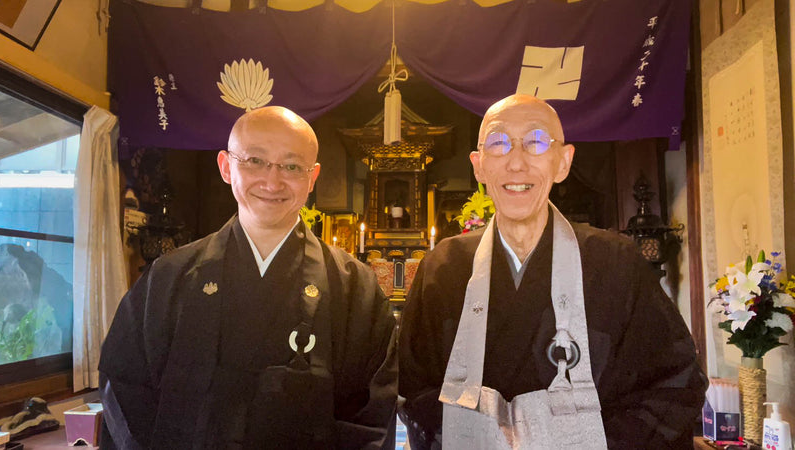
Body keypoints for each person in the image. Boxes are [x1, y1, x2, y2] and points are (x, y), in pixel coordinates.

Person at [398, 94, 707, 449]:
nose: (517, 162)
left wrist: (581, 439)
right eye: (499, 143)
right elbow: (412, 386)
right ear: (479, 165)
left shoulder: (616, 263)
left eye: (537, 142)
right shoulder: (443, 268)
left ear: (563, 161)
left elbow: (674, 382)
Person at [99, 106, 397, 449]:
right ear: (227, 167)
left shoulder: (353, 288)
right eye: (255, 161)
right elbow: (124, 392)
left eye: (291, 166)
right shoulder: (168, 278)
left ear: (312, 178)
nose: (272, 181)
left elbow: (371, 414)